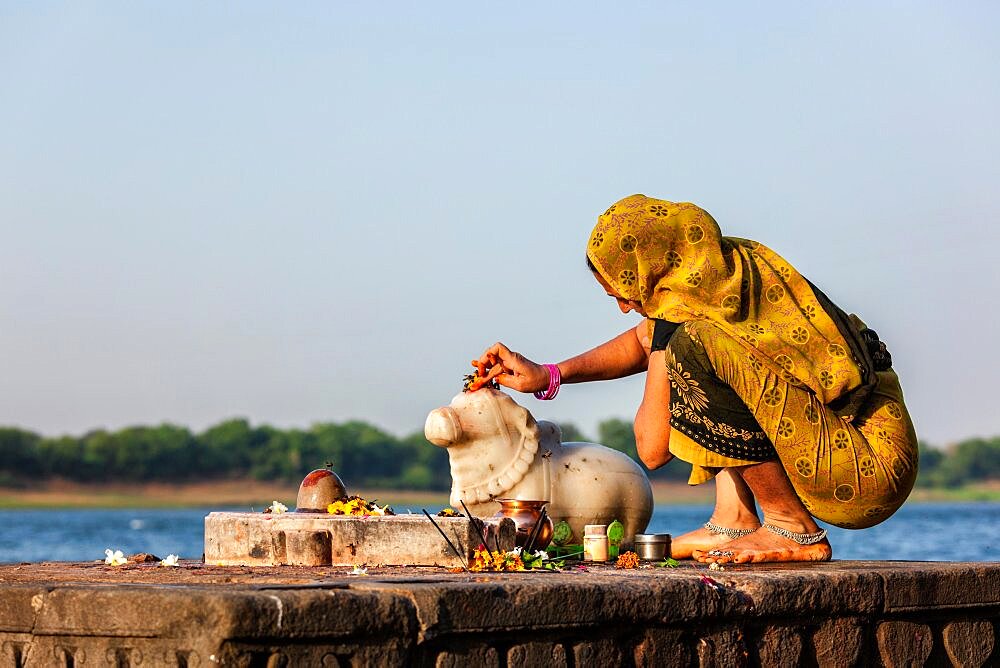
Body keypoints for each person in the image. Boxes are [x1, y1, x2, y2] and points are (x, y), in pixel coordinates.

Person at [476, 194, 916, 564]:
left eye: (624, 295)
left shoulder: (693, 319)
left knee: (694, 351)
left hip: (864, 466)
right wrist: (549, 374)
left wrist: (667, 336)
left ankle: (791, 527)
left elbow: (651, 448)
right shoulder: (715, 275)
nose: (625, 308)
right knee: (699, 351)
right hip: (853, 443)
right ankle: (734, 518)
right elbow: (639, 341)